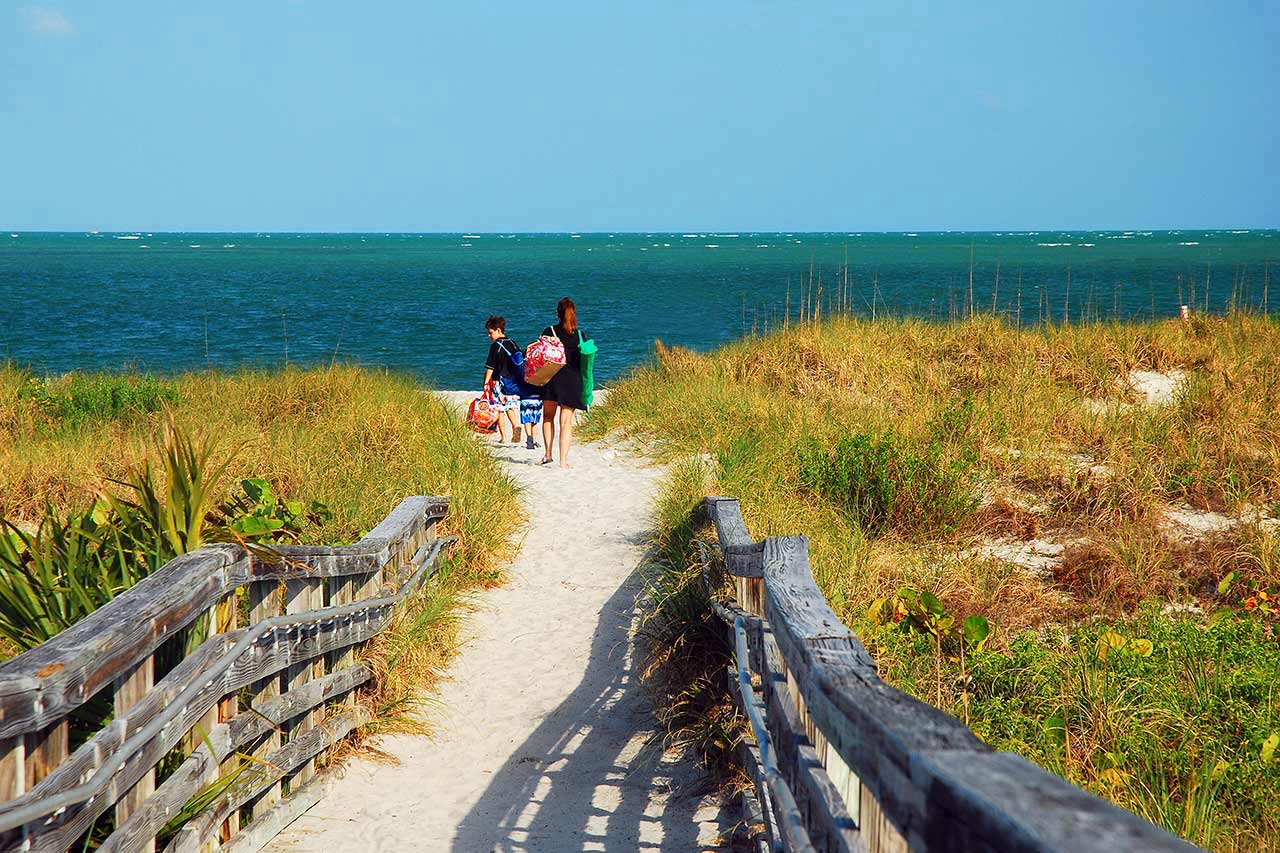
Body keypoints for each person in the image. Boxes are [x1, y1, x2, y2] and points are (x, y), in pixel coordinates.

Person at [540, 297, 586, 469]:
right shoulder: (580, 335)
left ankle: (548, 454)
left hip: (552, 378)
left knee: (548, 417)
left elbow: (540, 356)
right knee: (566, 422)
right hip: (572, 380)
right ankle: (563, 461)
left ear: (557, 314)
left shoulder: (549, 331)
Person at [482, 316, 524, 444]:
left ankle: (503, 437)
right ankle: (515, 426)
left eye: (491, 333)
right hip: (513, 381)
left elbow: (490, 367)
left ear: (498, 330)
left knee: (499, 409)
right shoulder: (512, 343)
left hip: (498, 382)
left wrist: (485, 383)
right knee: (510, 406)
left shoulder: (496, 346)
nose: (489, 336)